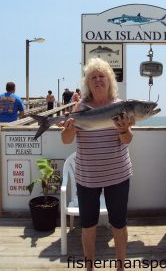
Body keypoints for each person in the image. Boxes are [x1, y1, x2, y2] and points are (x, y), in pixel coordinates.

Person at [61, 58, 135, 271]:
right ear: (88, 83)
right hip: (88, 178)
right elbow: (66, 140)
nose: (98, 80)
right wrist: (69, 129)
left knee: (119, 224)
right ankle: (89, 267)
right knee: (88, 225)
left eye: (102, 76)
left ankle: (121, 267)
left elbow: (128, 139)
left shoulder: (120, 106)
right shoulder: (80, 107)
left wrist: (123, 129)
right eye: (93, 77)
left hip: (118, 175)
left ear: (110, 80)